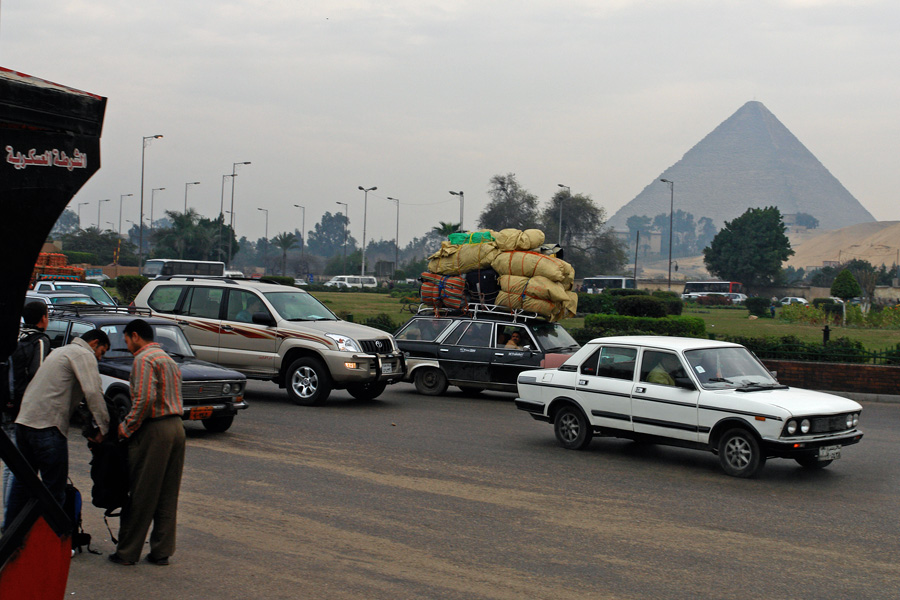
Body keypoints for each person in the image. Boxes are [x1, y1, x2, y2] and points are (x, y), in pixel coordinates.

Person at [3, 329, 109, 529]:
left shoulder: (60, 351)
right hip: (47, 427)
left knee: (22, 484)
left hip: (24, 423)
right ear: (94, 343)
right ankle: (50, 541)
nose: (100, 357)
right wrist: (104, 428)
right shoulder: (84, 353)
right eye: (101, 352)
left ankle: (12, 538)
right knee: (53, 490)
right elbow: (93, 392)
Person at [109, 319, 185, 567]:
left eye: (127, 339)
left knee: (142, 492)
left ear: (135, 336)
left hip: (155, 430)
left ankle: (127, 552)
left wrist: (126, 427)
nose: (127, 345)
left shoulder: (143, 359)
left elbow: (144, 399)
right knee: (167, 493)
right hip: (176, 428)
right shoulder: (166, 358)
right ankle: (161, 550)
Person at [2, 302, 52, 523]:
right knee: (20, 466)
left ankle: (7, 514)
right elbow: (38, 376)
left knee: (9, 463)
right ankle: (11, 520)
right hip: (24, 410)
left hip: (5, 405)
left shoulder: (15, 336)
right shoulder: (39, 341)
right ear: (42, 319)